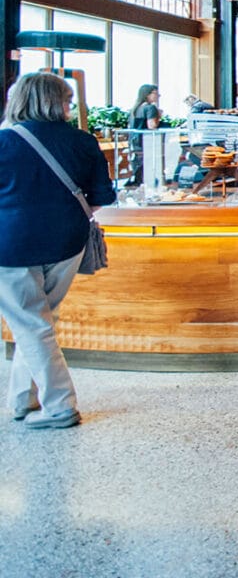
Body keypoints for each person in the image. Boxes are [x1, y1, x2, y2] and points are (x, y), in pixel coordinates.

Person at [0, 72, 116, 430]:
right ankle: (22, 399)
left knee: (32, 322)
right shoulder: (83, 141)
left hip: (11, 244)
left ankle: (61, 406)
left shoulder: (4, 142)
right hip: (68, 242)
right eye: (67, 100)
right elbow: (101, 198)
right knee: (39, 320)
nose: (69, 106)